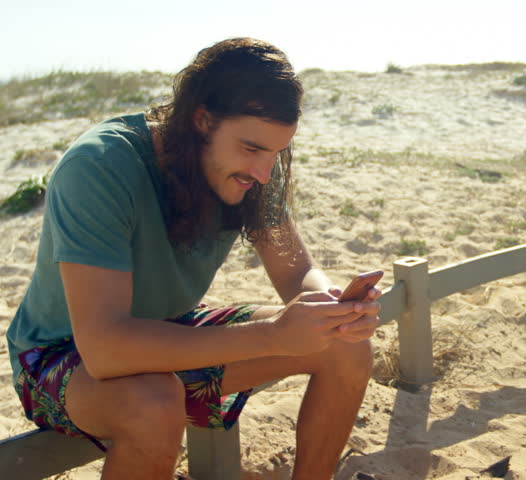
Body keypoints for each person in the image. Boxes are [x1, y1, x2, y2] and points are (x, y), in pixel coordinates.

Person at [5, 37, 381, 480]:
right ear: (201, 120)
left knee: (344, 346)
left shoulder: (253, 167)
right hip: (61, 357)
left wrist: (334, 306)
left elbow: (297, 272)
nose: (263, 173)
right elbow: (105, 349)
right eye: (252, 149)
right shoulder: (100, 166)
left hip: (168, 332)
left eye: (275, 153)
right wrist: (274, 334)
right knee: (154, 404)